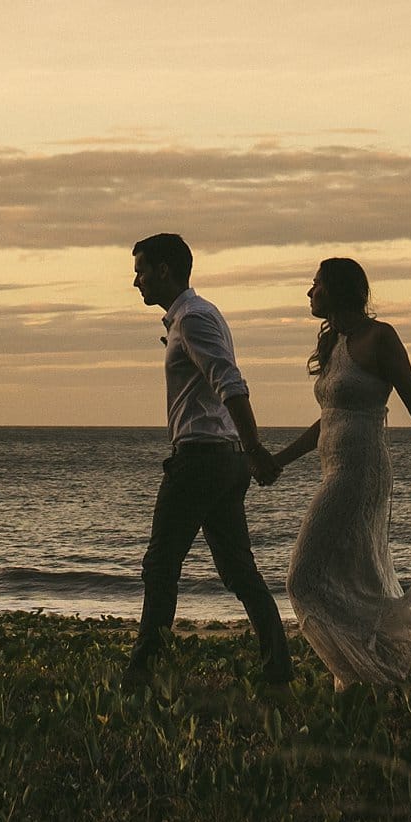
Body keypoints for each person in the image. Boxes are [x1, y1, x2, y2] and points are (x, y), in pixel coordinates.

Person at [258, 256, 411, 686]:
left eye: (315, 285)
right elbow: (328, 420)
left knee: (302, 578)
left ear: (338, 289)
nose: (309, 293)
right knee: (356, 580)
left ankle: (367, 675)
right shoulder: (334, 344)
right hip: (335, 469)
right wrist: (279, 461)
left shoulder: (379, 338)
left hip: (361, 473)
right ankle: (371, 677)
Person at [124, 232, 292, 690]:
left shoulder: (193, 319)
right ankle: (278, 666)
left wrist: (256, 449)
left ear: (164, 270)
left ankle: (142, 672)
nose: (135, 281)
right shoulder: (197, 316)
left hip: (201, 458)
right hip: (222, 459)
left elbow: (230, 384)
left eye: (141, 270)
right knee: (239, 570)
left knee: (160, 567)